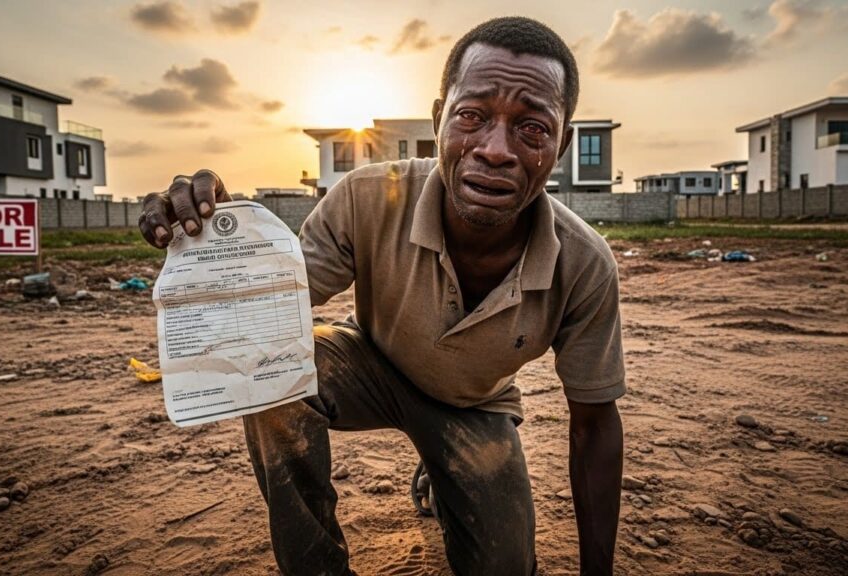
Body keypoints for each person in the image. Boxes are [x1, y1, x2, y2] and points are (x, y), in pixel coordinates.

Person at [139, 16, 625, 576]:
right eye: (472, 116)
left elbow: (594, 424)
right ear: (441, 119)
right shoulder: (369, 197)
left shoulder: (584, 264)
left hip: (474, 407)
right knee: (272, 366)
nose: (494, 149)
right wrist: (220, 238)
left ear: (562, 144)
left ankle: (445, 467)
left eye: (531, 129)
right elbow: (262, 307)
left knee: (504, 565)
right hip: (369, 363)